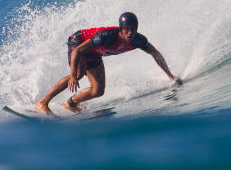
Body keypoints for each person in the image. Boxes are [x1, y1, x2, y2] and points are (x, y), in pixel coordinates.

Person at [35, 11, 182, 114]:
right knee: (79, 75)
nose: (130, 33)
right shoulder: (107, 36)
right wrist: (73, 75)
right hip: (79, 42)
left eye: (133, 29)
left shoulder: (138, 40)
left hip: (94, 53)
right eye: (127, 29)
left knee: (98, 91)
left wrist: (170, 76)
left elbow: (155, 54)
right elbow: (77, 51)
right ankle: (43, 103)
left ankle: (70, 104)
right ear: (121, 29)